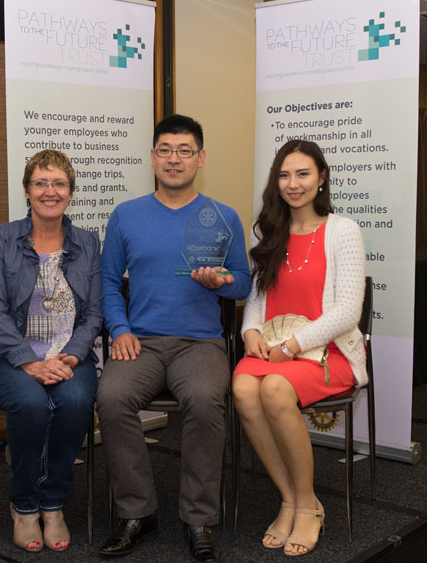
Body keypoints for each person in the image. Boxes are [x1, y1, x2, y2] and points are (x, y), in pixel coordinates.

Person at [97, 114, 251, 562]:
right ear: (152, 157)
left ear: (200, 158)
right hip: (140, 340)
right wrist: (120, 329)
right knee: (111, 396)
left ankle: (198, 517)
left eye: (185, 150)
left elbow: (244, 282)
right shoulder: (126, 215)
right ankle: (137, 512)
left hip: (200, 343)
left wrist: (222, 281)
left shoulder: (223, 216)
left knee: (205, 401)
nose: (174, 158)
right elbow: (109, 282)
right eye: (165, 149)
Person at [233, 139, 367, 557]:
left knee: (272, 388)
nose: (294, 184)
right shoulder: (270, 231)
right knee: (241, 387)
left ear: (322, 177)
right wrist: (249, 332)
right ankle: (289, 497)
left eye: (303, 174)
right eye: (285, 175)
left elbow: (348, 310)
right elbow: (257, 297)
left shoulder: (342, 230)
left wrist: (293, 345)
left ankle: (308, 504)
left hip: (329, 354)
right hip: (276, 351)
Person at [0, 150, 102, 553]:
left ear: (70, 192)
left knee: (78, 398)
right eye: (41, 183)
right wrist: (29, 361)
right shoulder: (3, 237)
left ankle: (53, 501)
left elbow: (94, 312)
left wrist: (72, 356)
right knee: (30, 403)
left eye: (59, 183)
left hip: (67, 356)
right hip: (5, 356)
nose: (50, 191)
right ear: (27, 191)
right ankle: (24, 505)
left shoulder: (87, 241)